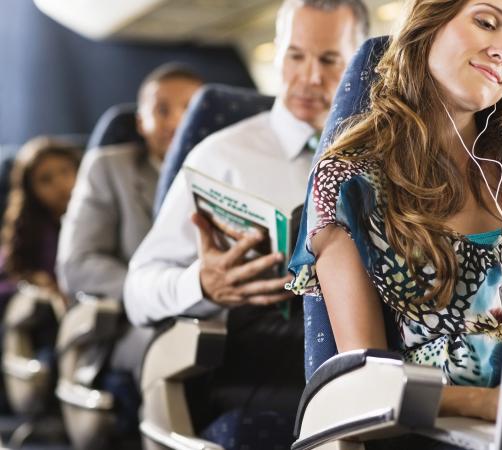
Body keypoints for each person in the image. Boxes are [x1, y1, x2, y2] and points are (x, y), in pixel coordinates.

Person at [288, 0, 502, 423]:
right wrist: (489, 406)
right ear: (430, 22)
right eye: (486, 22)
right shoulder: (348, 181)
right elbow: (364, 383)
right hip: (436, 428)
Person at [123, 0, 368, 443]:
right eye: (295, 56)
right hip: (262, 370)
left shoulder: (386, 157)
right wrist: (201, 283)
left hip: (362, 368)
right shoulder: (221, 155)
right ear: (276, 55)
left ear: (360, 65)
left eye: (329, 60)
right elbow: (137, 289)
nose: (309, 76)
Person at [57, 63, 203, 301]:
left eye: (190, 110)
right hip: (138, 318)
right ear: (140, 123)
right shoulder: (108, 168)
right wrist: (160, 295)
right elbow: (77, 264)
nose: (177, 122)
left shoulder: (228, 171)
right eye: (162, 110)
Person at [0, 137, 81, 309]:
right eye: (45, 180)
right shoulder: (28, 229)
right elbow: (8, 272)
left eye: (65, 171)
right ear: (31, 191)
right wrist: (31, 281)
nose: (60, 184)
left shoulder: (97, 218)